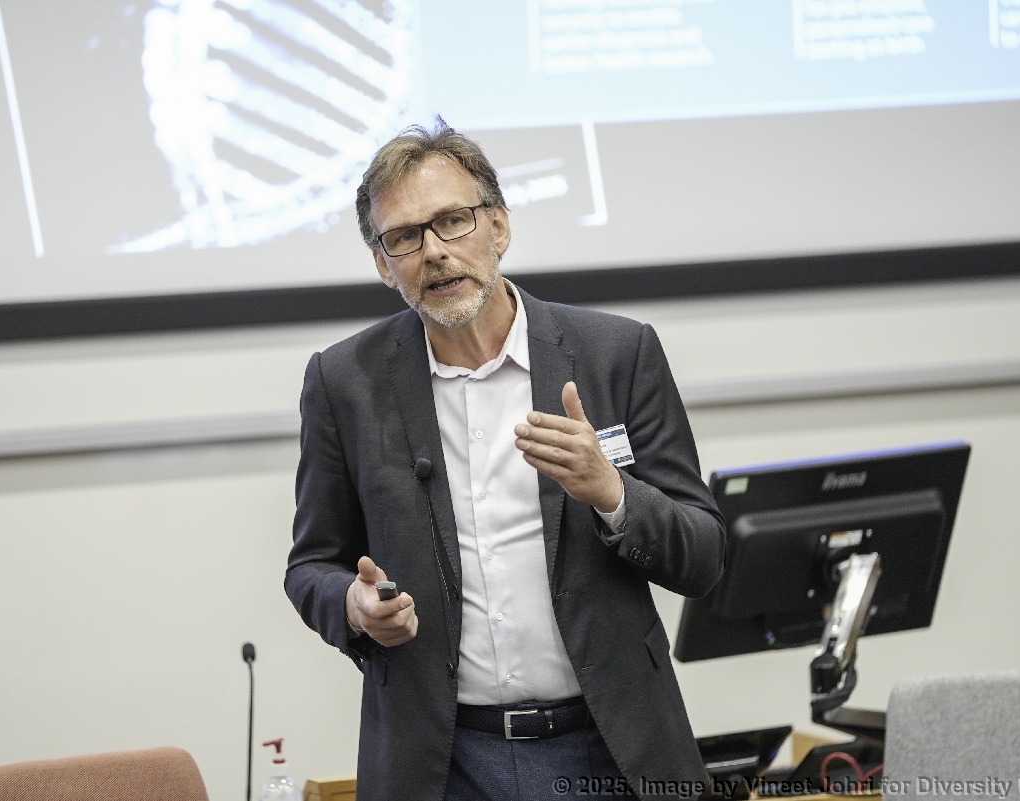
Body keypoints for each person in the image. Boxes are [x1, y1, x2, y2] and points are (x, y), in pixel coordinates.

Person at [285, 119, 725, 801]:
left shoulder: (615, 353)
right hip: (442, 763)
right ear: (382, 263)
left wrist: (612, 493)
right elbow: (311, 565)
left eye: (451, 221)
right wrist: (353, 605)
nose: (434, 252)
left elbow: (703, 556)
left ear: (498, 227)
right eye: (404, 237)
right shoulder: (345, 383)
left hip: (611, 745)